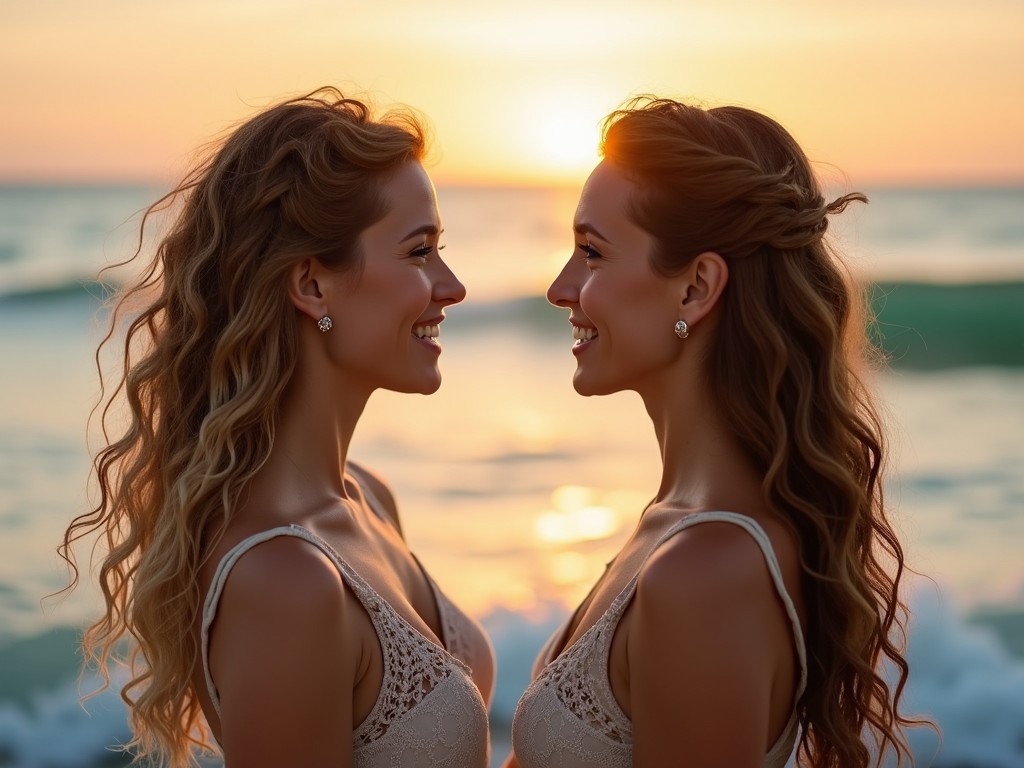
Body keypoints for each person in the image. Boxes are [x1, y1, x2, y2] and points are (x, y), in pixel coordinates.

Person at [60, 88, 494, 768]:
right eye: (419, 252)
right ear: (312, 286)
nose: (452, 285)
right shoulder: (282, 581)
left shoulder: (369, 498)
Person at [508, 98, 916, 767]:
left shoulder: (707, 574)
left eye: (591, 252)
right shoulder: (676, 526)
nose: (561, 287)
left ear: (695, 288)